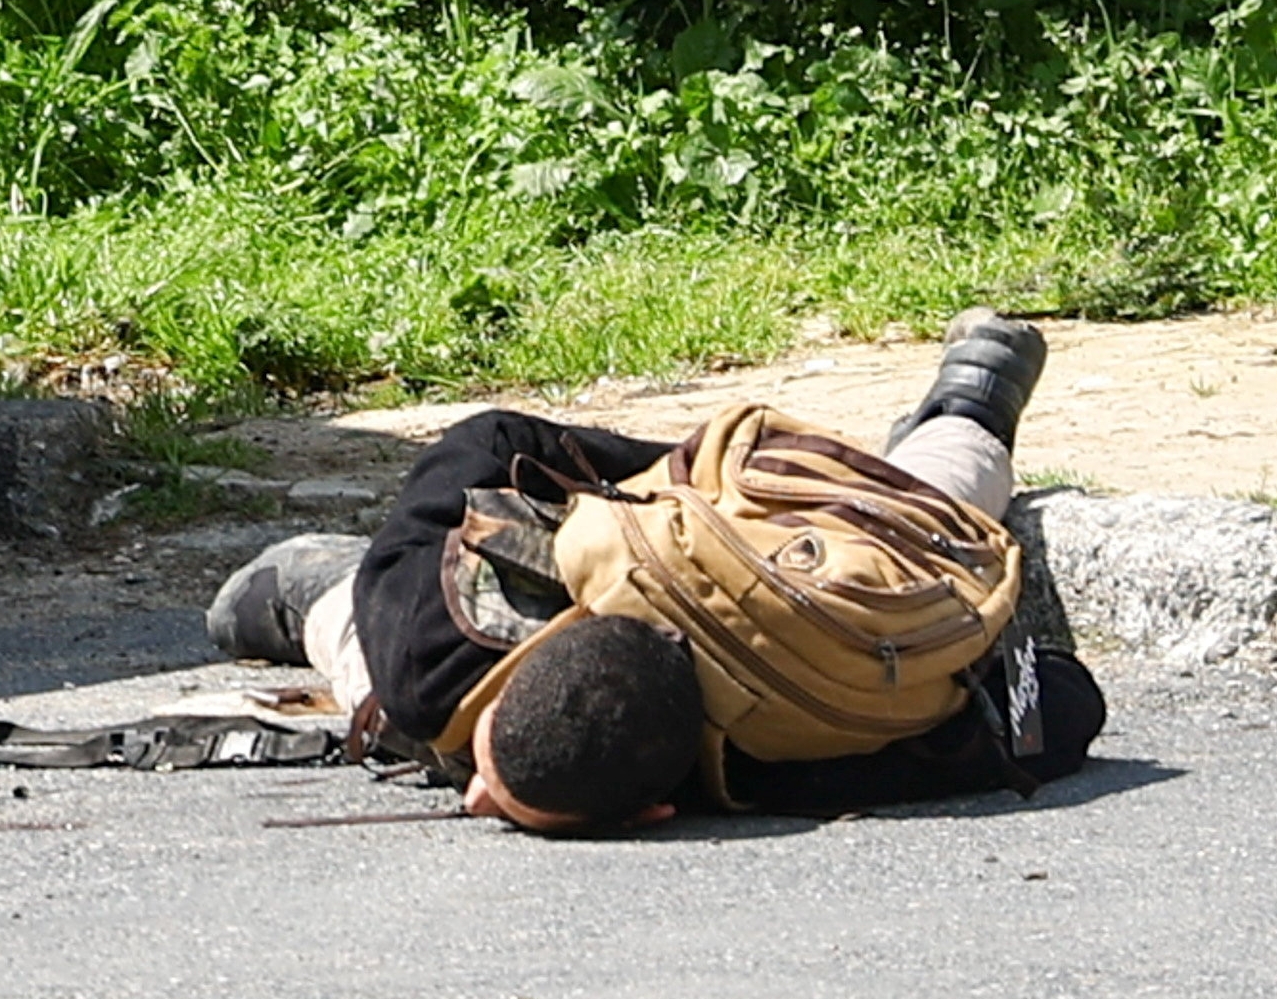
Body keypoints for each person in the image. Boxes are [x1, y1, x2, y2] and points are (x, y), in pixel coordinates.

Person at [199, 315, 1100, 831]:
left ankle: (311, 589)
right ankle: (970, 398)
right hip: (807, 538)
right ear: (665, 807)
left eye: (486, 782)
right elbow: (488, 442)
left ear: (658, 812)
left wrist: (692, 493)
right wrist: (686, 478)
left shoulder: (432, 662)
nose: (474, 798)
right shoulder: (793, 767)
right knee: (899, 519)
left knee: (387, 680)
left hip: (815, 528)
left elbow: (1060, 704)